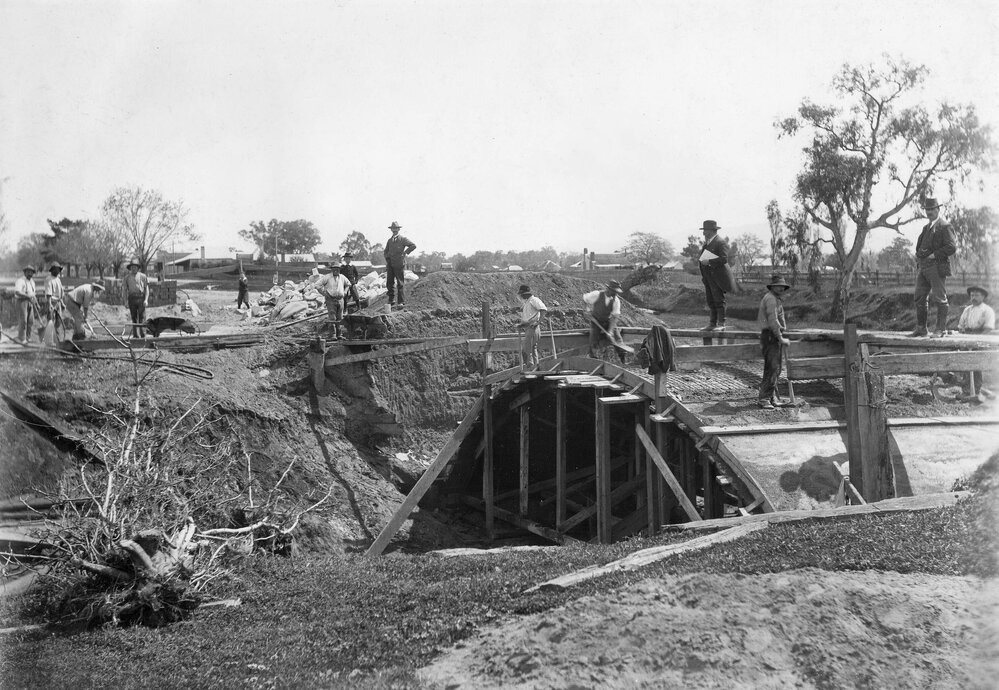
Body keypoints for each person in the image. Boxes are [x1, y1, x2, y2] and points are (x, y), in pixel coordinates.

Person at [911, 196, 956, 338]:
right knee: (919, 297)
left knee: (940, 298)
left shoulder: (945, 226)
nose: (929, 212)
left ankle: (940, 329)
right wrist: (919, 255)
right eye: (927, 209)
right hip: (923, 268)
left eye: (932, 209)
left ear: (938, 209)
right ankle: (921, 328)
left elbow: (951, 247)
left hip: (937, 267)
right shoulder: (927, 227)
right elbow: (920, 246)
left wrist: (934, 255)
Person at [757, 274, 791, 409]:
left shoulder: (776, 299)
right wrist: (780, 336)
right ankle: (764, 399)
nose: (781, 288)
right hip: (770, 336)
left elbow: (780, 317)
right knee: (772, 368)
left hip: (774, 335)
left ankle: (770, 398)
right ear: (772, 287)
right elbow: (772, 320)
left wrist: (784, 330)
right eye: (778, 286)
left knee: (776, 369)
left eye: (783, 286)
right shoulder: (770, 299)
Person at [697, 220, 736, 332]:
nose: (704, 233)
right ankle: (712, 323)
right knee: (710, 300)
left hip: (718, 277)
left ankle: (721, 323)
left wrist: (709, 261)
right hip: (708, 277)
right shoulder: (706, 243)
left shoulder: (720, 242)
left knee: (719, 300)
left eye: (705, 230)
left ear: (712, 231)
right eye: (704, 230)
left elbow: (724, 259)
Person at [957, 285, 995, 397]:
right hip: (966, 338)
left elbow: (988, 328)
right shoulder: (967, 310)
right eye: (972, 295)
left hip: (981, 339)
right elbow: (961, 326)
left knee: (976, 365)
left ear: (983, 297)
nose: (973, 297)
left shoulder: (987, 310)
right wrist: (963, 336)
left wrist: (977, 341)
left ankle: (976, 391)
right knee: (964, 364)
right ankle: (966, 390)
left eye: (977, 295)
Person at [583, 280, 624, 361]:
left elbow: (615, 317)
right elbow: (585, 299)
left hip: (608, 321)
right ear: (609, 289)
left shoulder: (616, 300)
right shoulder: (597, 295)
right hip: (596, 321)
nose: (616, 294)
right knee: (593, 338)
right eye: (615, 291)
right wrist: (587, 310)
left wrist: (610, 331)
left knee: (617, 338)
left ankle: (623, 356)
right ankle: (593, 357)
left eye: (617, 292)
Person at [383, 221, 416, 308]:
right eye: (393, 229)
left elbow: (413, 245)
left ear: (398, 229)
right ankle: (391, 300)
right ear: (391, 230)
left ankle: (401, 301)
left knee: (400, 283)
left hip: (399, 264)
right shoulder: (389, 241)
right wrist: (388, 259)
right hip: (390, 264)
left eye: (396, 229)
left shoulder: (402, 239)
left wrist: (405, 253)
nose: (394, 230)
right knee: (389, 282)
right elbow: (385, 251)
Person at [516, 284, 548, 367]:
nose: (521, 296)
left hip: (533, 328)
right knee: (531, 349)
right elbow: (529, 317)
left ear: (526, 293)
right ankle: (534, 367)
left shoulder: (534, 300)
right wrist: (522, 325)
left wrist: (538, 322)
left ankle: (531, 367)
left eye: (522, 294)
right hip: (528, 327)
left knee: (528, 350)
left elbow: (543, 310)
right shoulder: (528, 302)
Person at [317, 265, 351, 339]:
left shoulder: (342, 277)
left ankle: (339, 334)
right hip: (331, 299)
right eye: (334, 269)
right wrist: (324, 293)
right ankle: (332, 334)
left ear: (339, 270)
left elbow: (348, 284)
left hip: (340, 299)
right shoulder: (327, 277)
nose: (336, 270)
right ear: (332, 270)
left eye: (337, 269)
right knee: (332, 317)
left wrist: (345, 292)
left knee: (340, 317)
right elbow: (318, 285)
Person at [121, 258, 149, 338]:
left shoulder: (143, 276)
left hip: (141, 298)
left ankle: (143, 335)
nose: (134, 268)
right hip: (132, 298)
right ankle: (136, 335)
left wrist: (146, 300)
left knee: (142, 317)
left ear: (138, 268)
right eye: (132, 267)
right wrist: (125, 301)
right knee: (134, 317)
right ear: (130, 268)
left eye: (135, 267)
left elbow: (146, 288)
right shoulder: (127, 278)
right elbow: (124, 290)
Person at [14, 265, 40, 345]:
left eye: (31, 272)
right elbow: (17, 292)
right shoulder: (20, 280)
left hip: (30, 302)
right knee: (23, 321)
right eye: (28, 272)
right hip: (22, 302)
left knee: (30, 321)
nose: (30, 273)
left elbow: (33, 294)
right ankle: (22, 338)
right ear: (25, 272)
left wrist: (37, 303)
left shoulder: (32, 282)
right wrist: (27, 296)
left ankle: (28, 337)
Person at [44, 262, 66, 344]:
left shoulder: (58, 279)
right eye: (56, 269)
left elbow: (60, 293)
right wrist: (49, 304)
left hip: (58, 303)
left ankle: (57, 339)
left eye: (58, 270)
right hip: (52, 302)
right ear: (52, 270)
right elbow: (49, 293)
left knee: (58, 322)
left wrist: (62, 303)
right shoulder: (49, 279)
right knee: (51, 321)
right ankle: (49, 341)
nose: (57, 271)